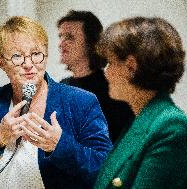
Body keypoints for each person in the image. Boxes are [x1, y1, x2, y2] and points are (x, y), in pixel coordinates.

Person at [0, 16, 112, 189]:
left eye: (36, 54)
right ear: (1, 62)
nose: (29, 64)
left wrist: (59, 146)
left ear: (46, 54)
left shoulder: (80, 101)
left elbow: (107, 170)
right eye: (17, 56)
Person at [94, 17, 187, 189]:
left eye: (111, 63)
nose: (106, 74)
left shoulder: (171, 128)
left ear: (131, 67)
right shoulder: (140, 120)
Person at [57, 10, 135, 143]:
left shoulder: (114, 90)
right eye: (61, 37)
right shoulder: (62, 86)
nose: (61, 44)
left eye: (69, 37)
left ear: (91, 44)